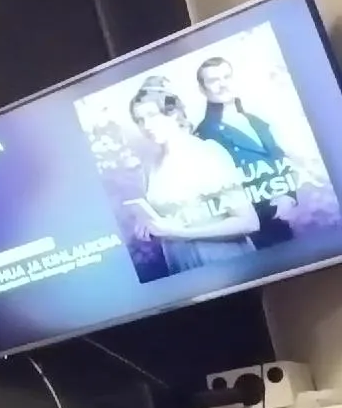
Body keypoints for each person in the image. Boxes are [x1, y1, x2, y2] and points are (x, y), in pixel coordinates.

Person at [127, 77, 259, 275]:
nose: (146, 125)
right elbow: (169, 218)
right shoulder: (150, 165)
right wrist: (149, 224)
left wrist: (181, 233)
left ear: (173, 113)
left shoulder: (207, 153)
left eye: (152, 115)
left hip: (224, 264)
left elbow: (248, 222)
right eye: (139, 120)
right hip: (181, 265)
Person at [193, 56, 297, 249]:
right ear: (202, 89)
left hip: (281, 223)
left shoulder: (256, 121)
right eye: (214, 80)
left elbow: (280, 160)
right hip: (249, 236)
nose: (223, 84)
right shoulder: (204, 134)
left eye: (227, 77)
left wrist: (288, 197)